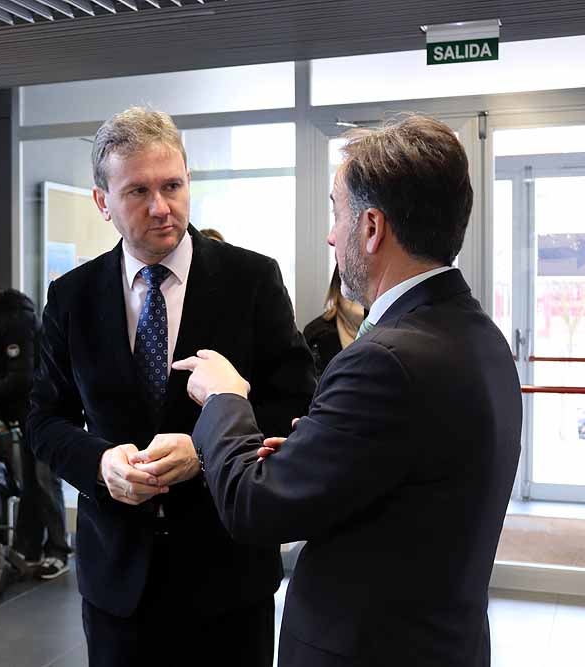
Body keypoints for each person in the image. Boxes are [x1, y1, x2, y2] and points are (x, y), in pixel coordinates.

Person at [175, 115, 522, 667]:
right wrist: (316, 453)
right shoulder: (480, 337)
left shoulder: (384, 360)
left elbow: (255, 507)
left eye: (336, 212)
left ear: (372, 227)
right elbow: (410, 477)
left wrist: (225, 398)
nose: (330, 233)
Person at [27, 107, 316, 666]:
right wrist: (100, 464)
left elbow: (297, 402)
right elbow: (44, 419)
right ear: (102, 201)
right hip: (117, 581)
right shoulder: (72, 297)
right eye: (137, 191)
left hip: (227, 575)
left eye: (173, 185)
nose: (161, 207)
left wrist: (206, 451)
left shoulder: (251, 280)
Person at [0, 269, 71, 579]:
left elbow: (24, 376)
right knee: (29, 482)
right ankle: (28, 549)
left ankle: (59, 550)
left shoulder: (15, 320)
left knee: (45, 480)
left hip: (46, 409)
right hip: (23, 413)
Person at [302, 266, 365, 377]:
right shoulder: (316, 335)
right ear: (338, 290)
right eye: (353, 292)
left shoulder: (391, 329)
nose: (361, 304)